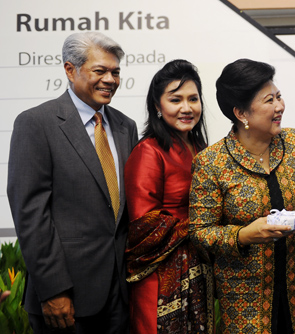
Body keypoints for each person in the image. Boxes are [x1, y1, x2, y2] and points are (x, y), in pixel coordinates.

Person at [7, 32, 138, 333]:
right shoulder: (36, 123)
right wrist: (53, 290)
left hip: (119, 295)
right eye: (100, 71)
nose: (110, 79)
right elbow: (31, 215)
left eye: (115, 72)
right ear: (70, 70)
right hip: (66, 300)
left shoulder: (124, 126)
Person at [189, 58, 295, 334]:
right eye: (269, 100)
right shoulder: (212, 162)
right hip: (244, 296)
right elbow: (199, 232)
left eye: (279, 96)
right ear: (241, 113)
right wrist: (243, 235)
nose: (279, 106)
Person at [124, 59, 211, 333]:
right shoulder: (149, 151)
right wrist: (199, 229)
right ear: (158, 107)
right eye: (176, 100)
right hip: (159, 278)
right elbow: (143, 226)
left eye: (193, 99)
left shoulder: (200, 147)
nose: (187, 108)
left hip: (199, 269)